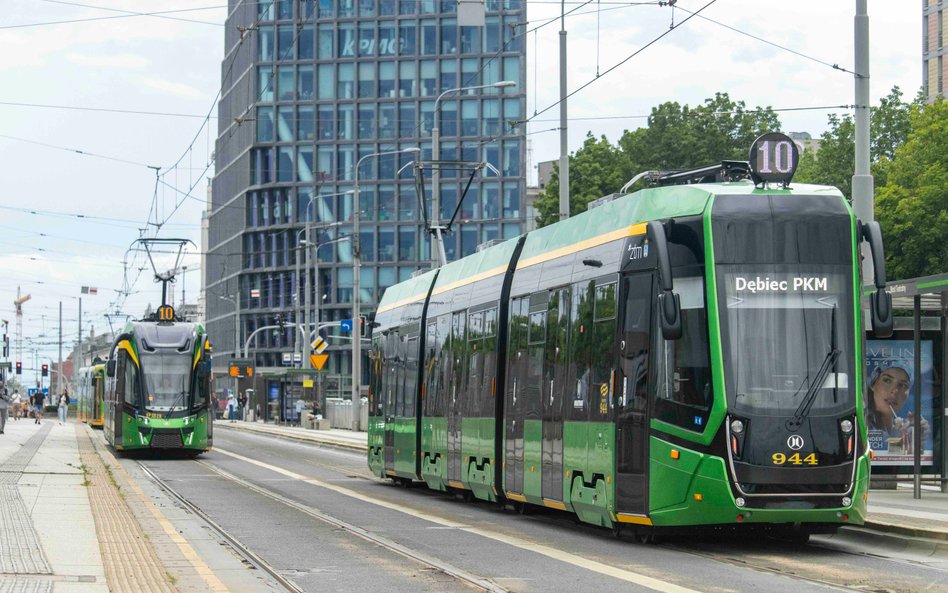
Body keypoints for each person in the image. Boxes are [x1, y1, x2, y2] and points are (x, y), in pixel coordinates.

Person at [868, 362, 928, 441]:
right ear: (873, 384)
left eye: (903, 385)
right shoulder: (860, 425)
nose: (895, 391)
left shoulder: (904, 427)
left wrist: (918, 440)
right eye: (887, 381)